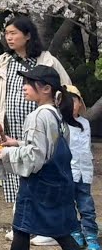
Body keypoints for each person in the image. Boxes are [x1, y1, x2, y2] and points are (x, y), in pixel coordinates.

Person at [0, 65, 82, 250]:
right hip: (58, 182)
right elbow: (47, 148)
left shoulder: (37, 116)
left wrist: (3, 153)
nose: (23, 87)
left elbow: (35, 156)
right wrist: (17, 144)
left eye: (29, 83)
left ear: (46, 88)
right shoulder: (57, 115)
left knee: (21, 227)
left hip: (38, 186)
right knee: (58, 232)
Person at [0, 16, 72, 209]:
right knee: (13, 167)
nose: (9, 38)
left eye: (13, 33)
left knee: (38, 167)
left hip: (39, 123)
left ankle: (37, 218)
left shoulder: (47, 60)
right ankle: (20, 216)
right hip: (8, 126)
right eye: (6, 34)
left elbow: (67, 89)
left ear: (28, 35)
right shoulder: (1, 62)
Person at [64, 86, 98, 250]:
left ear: (80, 103)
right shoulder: (61, 124)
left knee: (86, 205)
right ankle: (75, 232)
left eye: (75, 100)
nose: (72, 104)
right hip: (68, 172)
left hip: (84, 172)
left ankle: (91, 235)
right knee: (68, 204)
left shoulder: (85, 123)